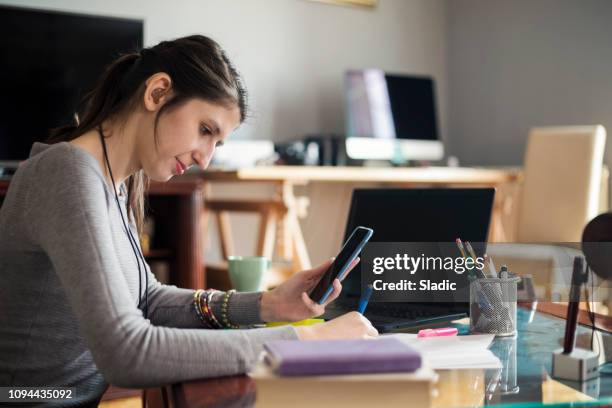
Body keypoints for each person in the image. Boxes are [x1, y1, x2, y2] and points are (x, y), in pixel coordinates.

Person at [0, 35, 377, 406]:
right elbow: (127, 352)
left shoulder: (115, 182)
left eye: (217, 143)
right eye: (205, 130)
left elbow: (148, 300)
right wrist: (305, 343)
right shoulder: (67, 172)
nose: (206, 158)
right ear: (157, 92)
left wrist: (269, 304)